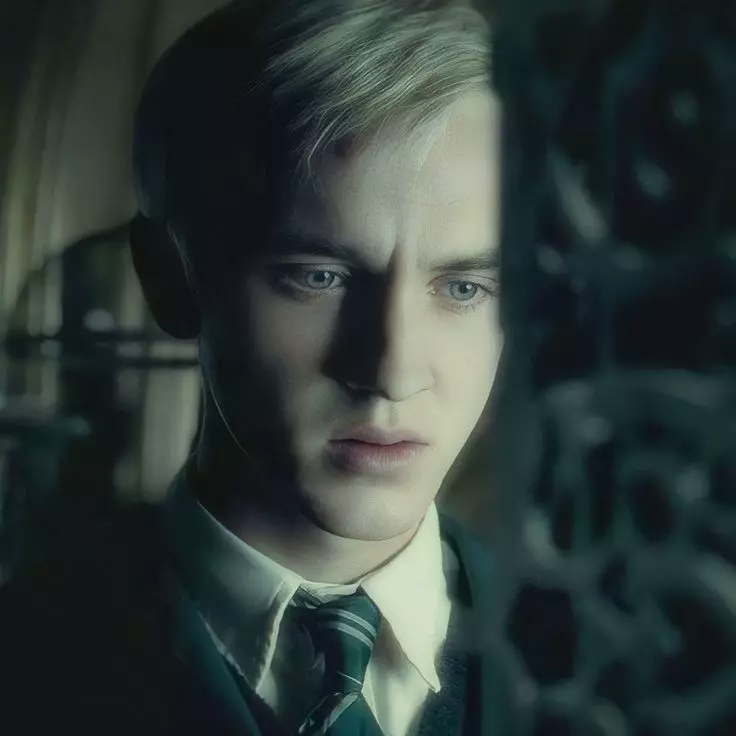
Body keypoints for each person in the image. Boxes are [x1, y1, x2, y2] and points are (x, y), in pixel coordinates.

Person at [0, 1, 506, 734]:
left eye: (464, 288)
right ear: (169, 279)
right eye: (317, 277)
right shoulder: (23, 664)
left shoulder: (628, 667)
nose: (392, 373)